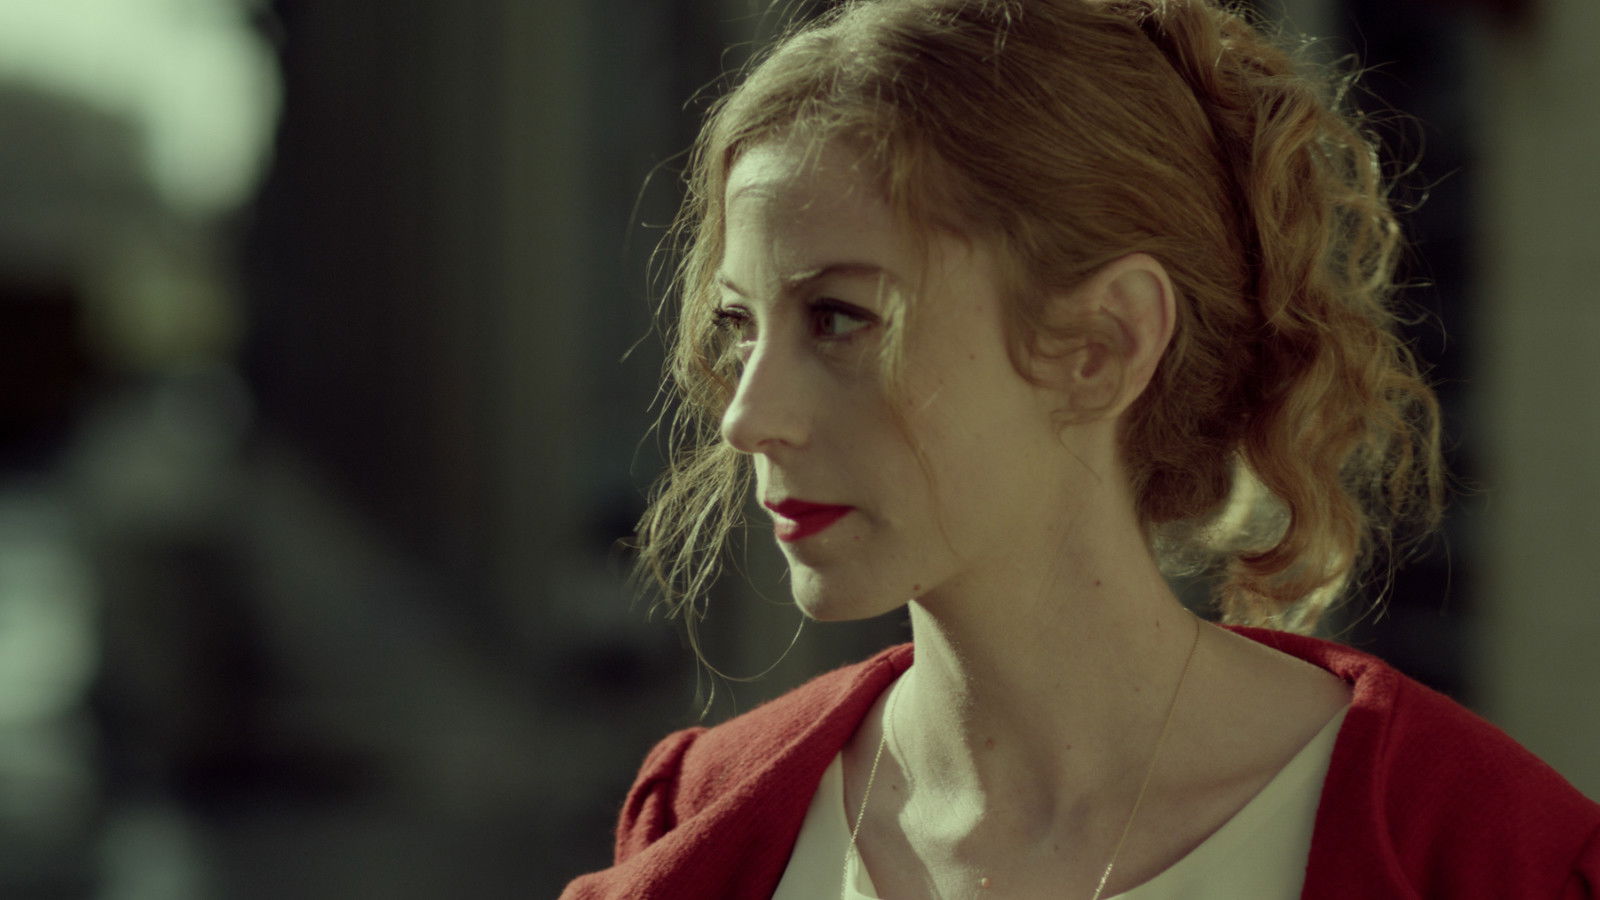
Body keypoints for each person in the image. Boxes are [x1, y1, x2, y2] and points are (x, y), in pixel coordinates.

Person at [561, 0, 1600, 897]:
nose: (747, 417)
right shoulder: (706, 821)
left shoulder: (1475, 850)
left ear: (1104, 345)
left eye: (838, 318)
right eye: (739, 326)